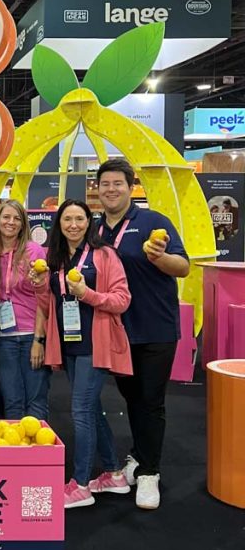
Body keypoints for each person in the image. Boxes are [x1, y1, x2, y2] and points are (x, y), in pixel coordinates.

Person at [96, 157, 190, 511]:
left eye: (117, 183)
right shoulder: (95, 230)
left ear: (130, 187)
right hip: (117, 332)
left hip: (154, 328)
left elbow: (183, 267)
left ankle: (150, 473)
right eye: (105, 184)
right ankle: (139, 455)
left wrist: (159, 258)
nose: (111, 190)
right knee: (132, 398)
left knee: (151, 401)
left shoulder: (153, 222)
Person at [32, 200, 132, 510]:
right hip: (70, 344)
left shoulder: (105, 255)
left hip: (95, 344)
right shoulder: (56, 257)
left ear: (89, 222)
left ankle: (81, 484)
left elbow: (122, 299)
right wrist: (40, 287)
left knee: (81, 411)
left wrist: (87, 294)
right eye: (67, 219)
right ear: (59, 224)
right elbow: (50, 304)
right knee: (90, 409)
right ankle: (114, 474)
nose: (73, 225)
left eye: (79, 218)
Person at [0, 200, 50, 419]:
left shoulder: (33, 251)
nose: (11, 222)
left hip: (30, 335)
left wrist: (39, 340)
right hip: (3, 337)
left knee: (36, 402)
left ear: (23, 224)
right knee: (12, 402)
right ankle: (16, 443)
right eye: (6, 217)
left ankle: (40, 443)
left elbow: (44, 297)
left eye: (17, 218)